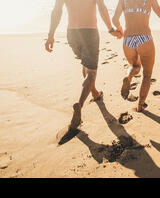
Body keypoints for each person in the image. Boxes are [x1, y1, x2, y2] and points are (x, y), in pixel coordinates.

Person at [45, 0, 122, 130]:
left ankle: (95, 93)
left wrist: (51, 35)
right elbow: (102, 8)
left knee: (86, 64)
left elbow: (57, 11)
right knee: (91, 73)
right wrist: (110, 29)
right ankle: (79, 105)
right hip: (89, 32)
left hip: (72, 34)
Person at [113, 0, 160, 112]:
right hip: (144, 38)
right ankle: (140, 104)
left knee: (135, 66)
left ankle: (128, 77)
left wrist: (119, 29)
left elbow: (114, 19)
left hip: (128, 39)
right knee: (147, 74)